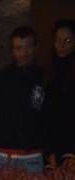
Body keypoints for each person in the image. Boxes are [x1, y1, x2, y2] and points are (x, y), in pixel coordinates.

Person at [0, 26, 45, 175]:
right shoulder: (0, 80)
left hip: (33, 156)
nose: (24, 53)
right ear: (12, 51)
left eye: (28, 47)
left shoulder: (44, 79)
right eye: (19, 48)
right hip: (1, 156)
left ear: (36, 47)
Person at [43, 20, 75, 167]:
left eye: (67, 41)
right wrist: (49, 150)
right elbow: (44, 113)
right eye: (58, 40)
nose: (61, 46)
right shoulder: (48, 73)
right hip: (52, 152)